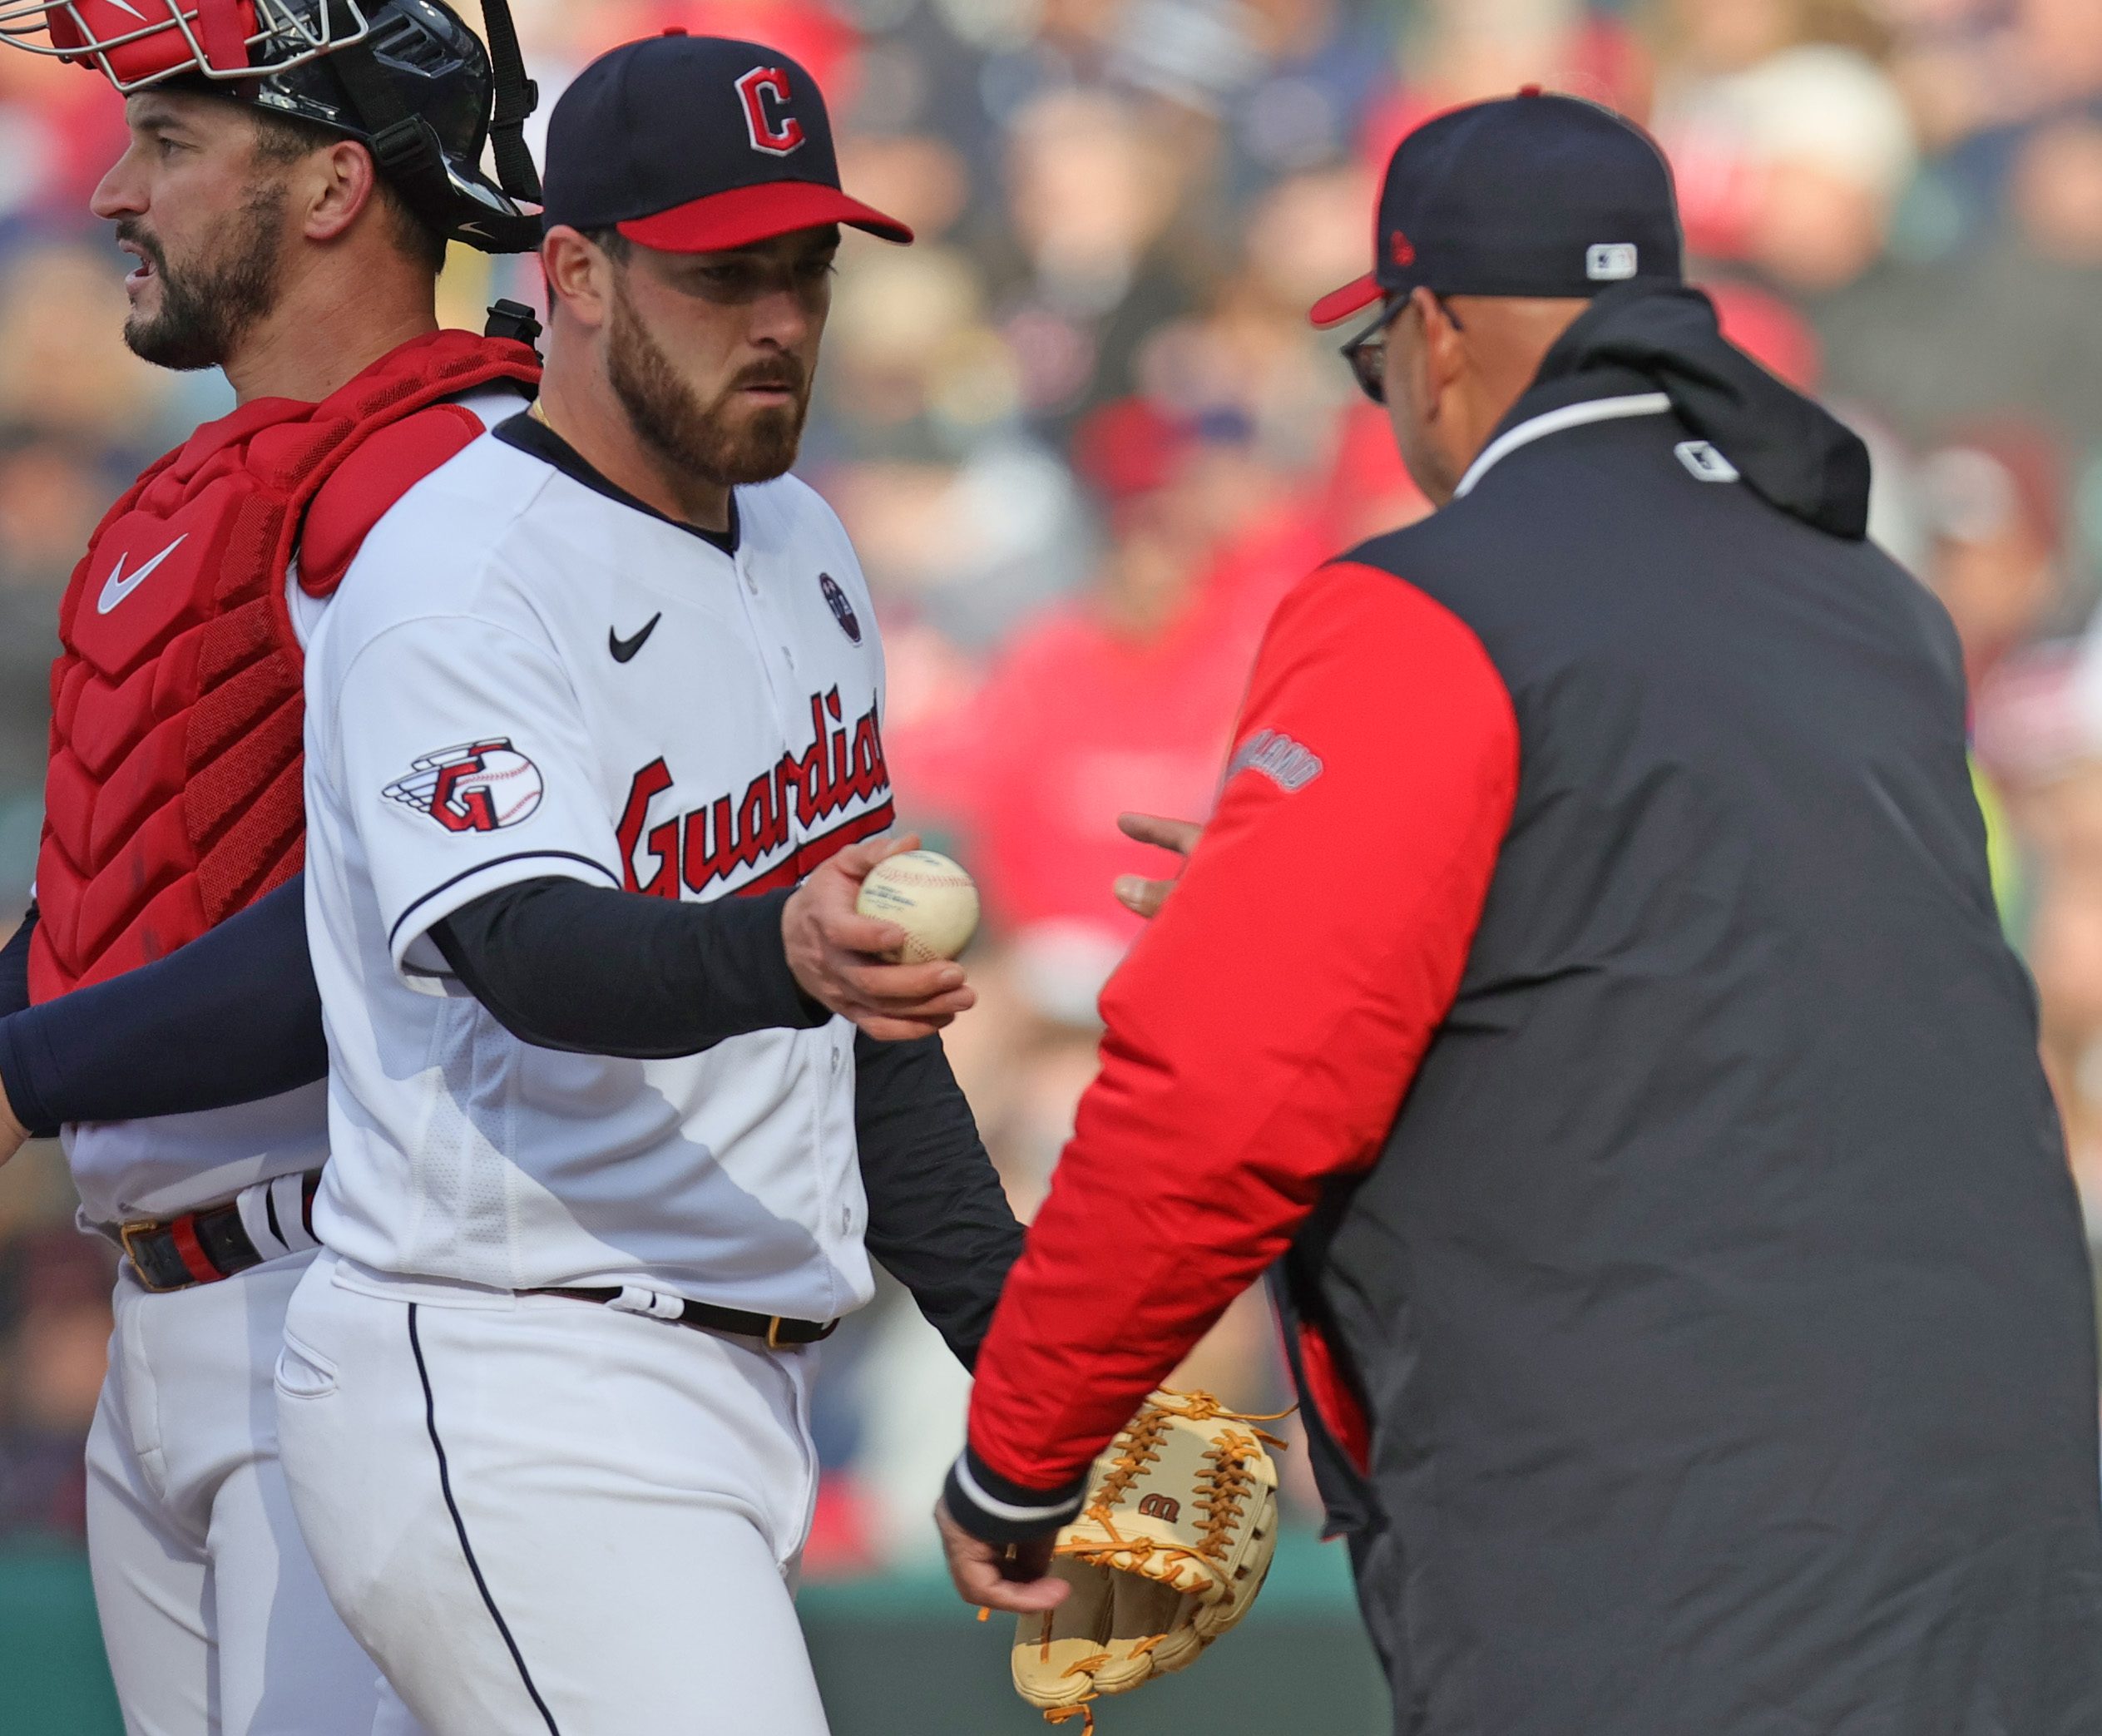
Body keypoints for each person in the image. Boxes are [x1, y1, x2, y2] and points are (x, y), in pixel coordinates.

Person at [934, 91, 2102, 1734]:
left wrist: (1018, 1450)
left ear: (1429, 334)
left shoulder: (1425, 605)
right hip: (2006, 1546)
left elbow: (1222, 1090)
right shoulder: (1872, 607)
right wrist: (1319, 880)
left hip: (1682, 1561)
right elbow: (1695, 951)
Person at [270, 34, 1021, 1736]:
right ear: (581, 274)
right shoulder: (460, 571)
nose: (777, 319)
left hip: (725, 1384)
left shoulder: (809, 545)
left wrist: (1033, 1357)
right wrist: (791, 949)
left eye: (803, 272)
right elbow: (526, 950)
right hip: (517, 1370)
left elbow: (860, 1034)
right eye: (719, 274)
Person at [0, 4, 548, 1732]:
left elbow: (407, 936)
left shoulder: (457, 478)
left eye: (171, 145)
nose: (113, 195)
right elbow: (116, 888)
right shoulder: (198, 497)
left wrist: (19, 1072)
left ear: (329, 185)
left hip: (374, 1289)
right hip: (167, 1310)